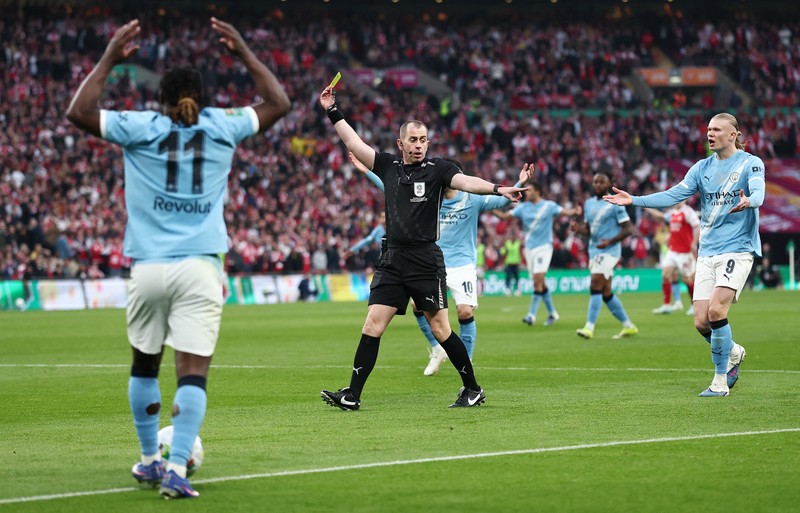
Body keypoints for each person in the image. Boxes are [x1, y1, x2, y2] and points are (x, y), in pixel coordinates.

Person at [66, 18, 290, 498]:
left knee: (144, 366)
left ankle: (148, 461)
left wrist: (108, 58)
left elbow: (78, 112)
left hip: (147, 266)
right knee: (192, 372)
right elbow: (279, 103)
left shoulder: (138, 126)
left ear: (161, 101)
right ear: (202, 98)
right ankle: (177, 472)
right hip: (200, 268)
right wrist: (245, 52)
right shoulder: (222, 124)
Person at [318, 83, 527, 409]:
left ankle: (472, 388)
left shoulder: (439, 170)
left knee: (441, 328)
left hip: (425, 260)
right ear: (401, 143)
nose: (419, 145)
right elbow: (353, 143)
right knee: (372, 324)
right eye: (412, 140)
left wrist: (499, 189)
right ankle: (352, 394)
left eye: (423, 139)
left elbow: (467, 182)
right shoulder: (388, 166)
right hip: (392, 260)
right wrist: (333, 111)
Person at [603, 112, 765, 397]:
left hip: (738, 248)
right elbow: (673, 195)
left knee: (717, 310)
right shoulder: (701, 168)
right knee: (701, 321)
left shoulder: (751, 163)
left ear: (732, 134)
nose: (709, 134)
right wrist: (635, 200)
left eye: (716, 129)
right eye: (708, 129)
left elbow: (759, 193)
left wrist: (750, 201)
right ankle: (733, 351)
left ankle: (719, 381)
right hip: (708, 251)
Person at [352, 153, 532, 375]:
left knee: (464, 311)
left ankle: (466, 363)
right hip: (432, 262)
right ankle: (437, 350)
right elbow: (390, 186)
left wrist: (520, 182)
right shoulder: (430, 197)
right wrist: (367, 171)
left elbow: (501, 200)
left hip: (462, 264)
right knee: (417, 306)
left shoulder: (472, 198)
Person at [494, 181, 582, 327]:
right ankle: (553, 313)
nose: (526, 193)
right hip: (529, 249)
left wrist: (575, 211)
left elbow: (565, 212)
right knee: (540, 282)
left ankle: (531, 315)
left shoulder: (549, 206)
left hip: (544, 247)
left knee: (537, 279)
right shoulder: (523, 208)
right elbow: (504, 217)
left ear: (538, 192)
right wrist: (487, 208)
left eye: (529, 190)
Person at [570, 173, 639, 340]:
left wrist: (610, 241)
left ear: (609, 183)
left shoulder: (615, 203)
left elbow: (628, 228)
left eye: (602, 181)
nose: (598, 184)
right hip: (594, 250)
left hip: (610, 251)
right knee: (606, 292)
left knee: (595, 284)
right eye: (595, 182)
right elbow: (588, 230)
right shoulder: (588, 204)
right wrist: (578, 229)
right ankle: (629, 326)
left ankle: (589, 327)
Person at [646, 200, 700, 316]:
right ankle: (666, 305)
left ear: (685, 199)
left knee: (688, 280)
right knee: (666, 275)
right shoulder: (672, 212)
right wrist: (645, 206)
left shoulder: (688, 212)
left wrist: (694, 243)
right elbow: (660, 217)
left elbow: (697, 226)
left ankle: (695, 306)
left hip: (685, 252)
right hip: (673, 251)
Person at [500, 231, 523, 296]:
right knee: (508, 276)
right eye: (511, 236)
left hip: (516, 262)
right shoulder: (507, 243)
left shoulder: (518, 243)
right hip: (509, 262)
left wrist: (521, 261)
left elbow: (520, 252)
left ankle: (517, 289)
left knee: (516, 277)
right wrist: (503, 247)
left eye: (514, 236)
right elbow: (503, 253)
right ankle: (507, 289)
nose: (512, 238)